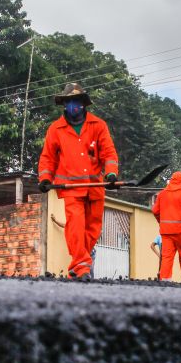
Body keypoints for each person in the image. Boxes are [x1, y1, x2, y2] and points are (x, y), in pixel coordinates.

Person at [38, 82, 118, 279]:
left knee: (93, 229)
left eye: (76, 101)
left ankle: (77, 265)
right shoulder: (56, 129)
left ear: (83, 103)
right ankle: (81, 267)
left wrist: (111, 173)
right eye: (69, 101)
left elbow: (108, 152)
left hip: (95, 186)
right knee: (75, 225)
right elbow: (48, 157)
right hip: (71, 187)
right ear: (64, 104)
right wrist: (45, 178)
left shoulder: (98, 125)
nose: (73, 105)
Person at [152, 171, 181, 282]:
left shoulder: (162, 194)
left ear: (171, 180)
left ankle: (165, 280)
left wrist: (161, 222)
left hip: (166, 232)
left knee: (167, 257)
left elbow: (155, 211)